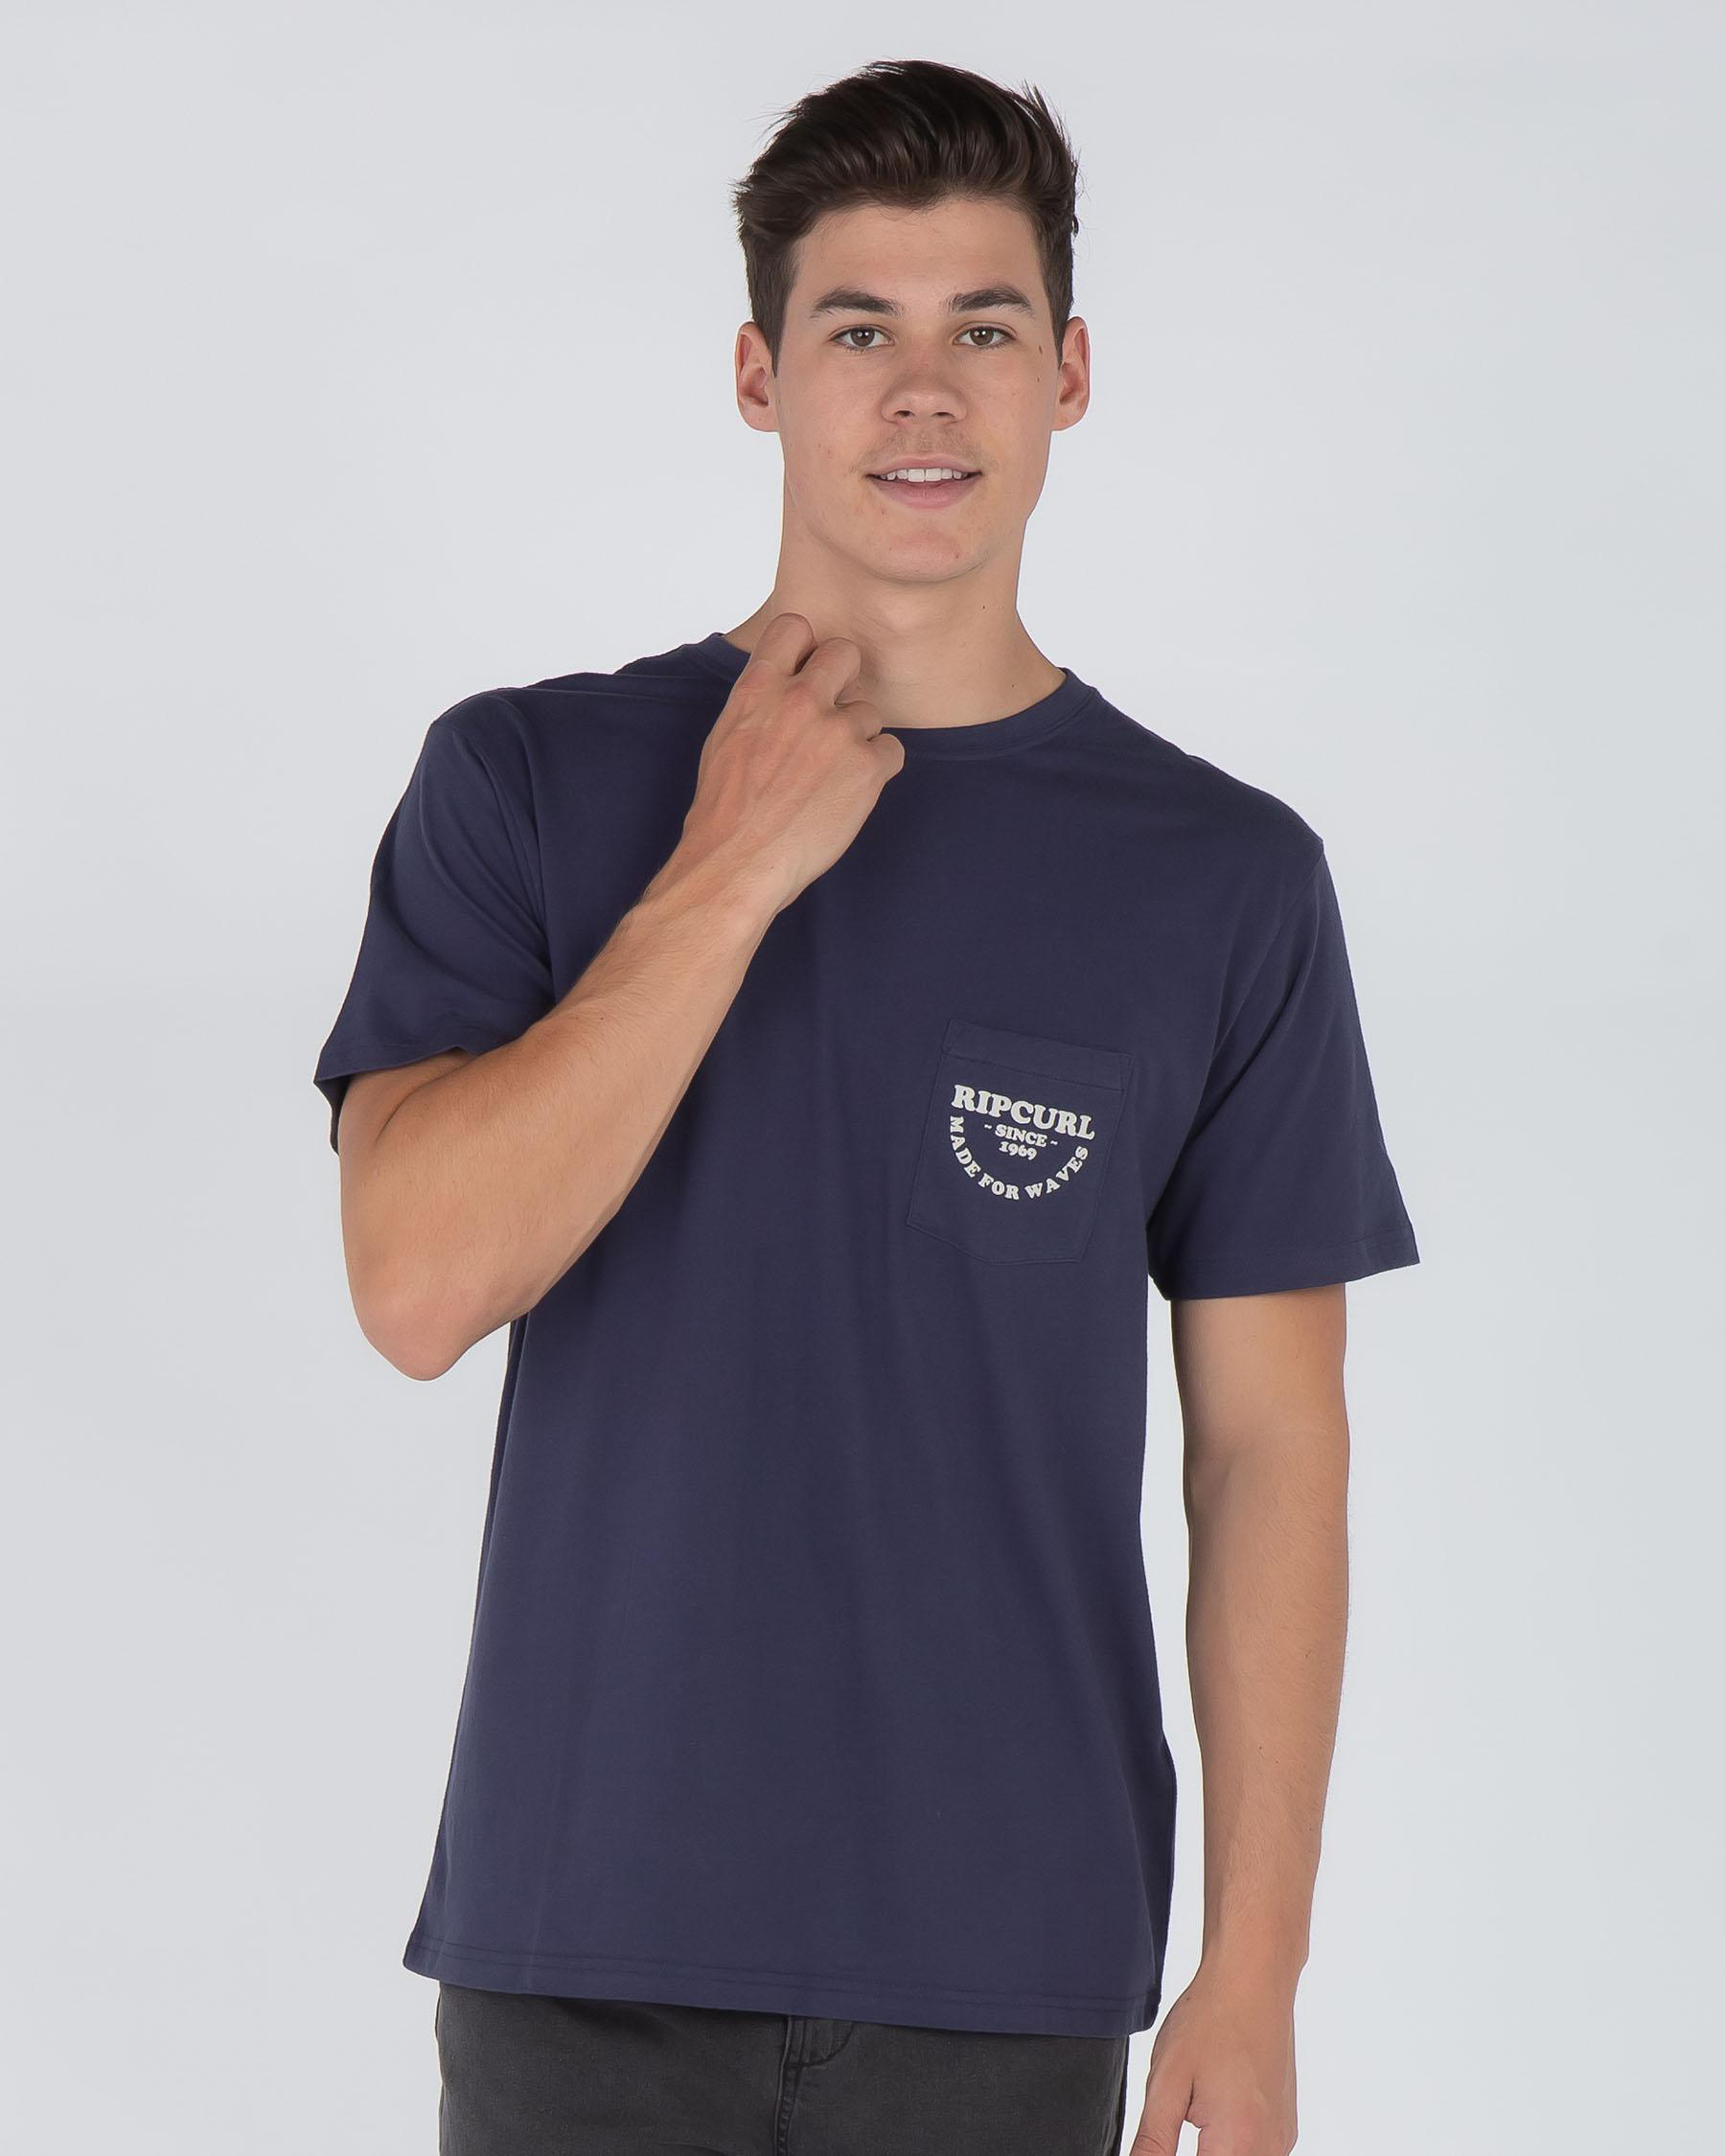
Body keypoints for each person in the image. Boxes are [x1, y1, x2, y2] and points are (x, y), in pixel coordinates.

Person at [312, 56, 1419, 2156]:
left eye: (984, 329)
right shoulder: (526, 782)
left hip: (1005, 1964)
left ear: (1067, 373)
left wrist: (1256, 1963)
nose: (925, 392)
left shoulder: (1223, 880)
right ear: (759, 376)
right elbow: (416, 1286)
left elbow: (1272, 1444)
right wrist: (726, 872)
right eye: (857, 331)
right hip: (584, 1947)